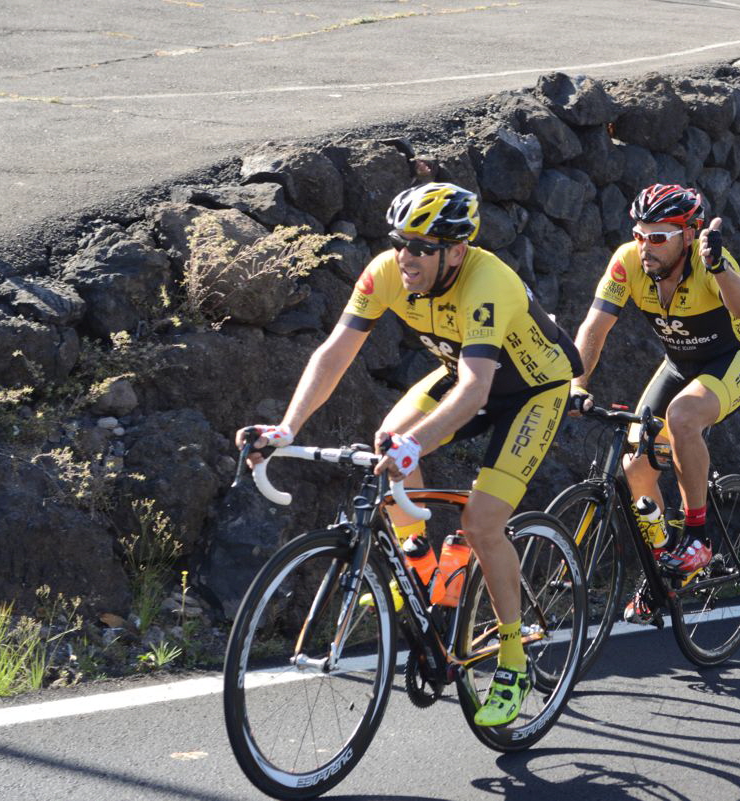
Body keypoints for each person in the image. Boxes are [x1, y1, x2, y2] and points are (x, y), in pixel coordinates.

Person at [236, 182, 582, 726]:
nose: (406, 256)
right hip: (462, 376)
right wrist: (287, 426)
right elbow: (335, 353)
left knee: (482, 520)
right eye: (400, 241)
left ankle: (513, 658)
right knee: (384, 442)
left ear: (457, 251)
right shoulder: (386, 273)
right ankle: (420, 565)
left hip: (530, 392)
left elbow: (476, 390)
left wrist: (416, 443)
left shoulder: (487, 283)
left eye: (421, 247)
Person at [568, 183, 740, 622]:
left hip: (739, 356)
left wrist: (718, 266)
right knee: (635, 465)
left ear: (689, 234)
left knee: (682, 418)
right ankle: (665, 568)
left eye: (659, 236)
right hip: (681, 363)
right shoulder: (628, 261)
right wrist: (577, 384)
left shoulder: (709, 262)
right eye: (640, 234)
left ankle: (698, 537)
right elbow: (594, 327)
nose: (645, 245)